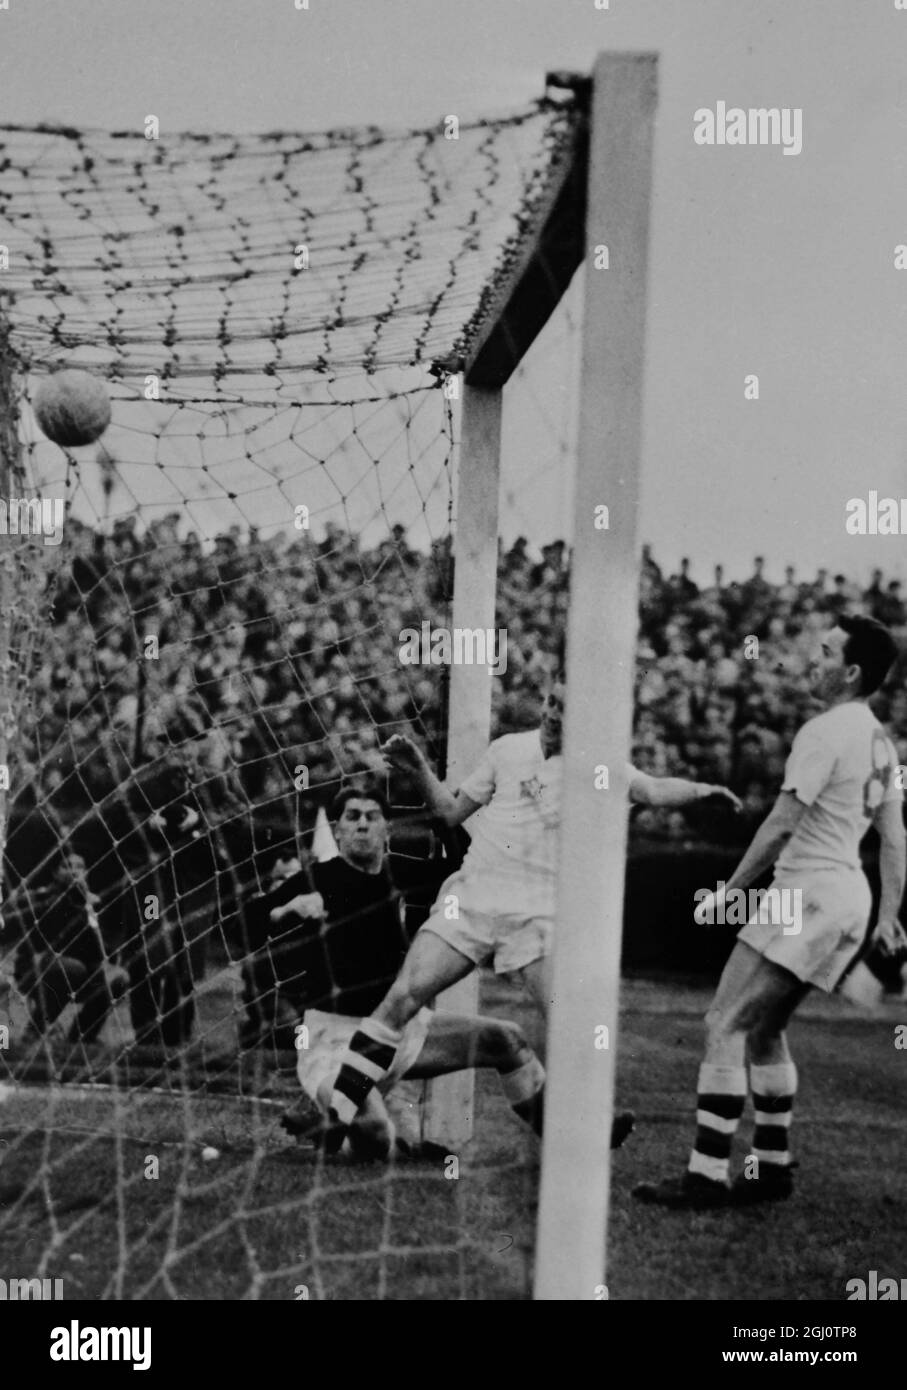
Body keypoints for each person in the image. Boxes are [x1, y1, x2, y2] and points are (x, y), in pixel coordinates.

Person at [322, 672, 742, 1151]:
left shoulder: (599, 768)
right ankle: (336, 1113)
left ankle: (589, 1123)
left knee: (567, 1022)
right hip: (476, 896)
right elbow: (450, 815)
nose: (551, 715)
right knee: (401, 999)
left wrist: (704, 789)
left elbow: (654, 788)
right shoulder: (507, 750)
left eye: (565, 709)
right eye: (550, 702)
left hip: (538, 913)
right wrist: (418, 766)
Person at [633, 615, 907, 1209]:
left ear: (851, 671)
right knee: (764, 1028)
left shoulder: (825, 731)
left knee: (722, 1024)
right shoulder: (881, 739)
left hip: (805, 895)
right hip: (845, 899)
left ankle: (705, 1175)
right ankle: (774, 1165)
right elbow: (893, 836)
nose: (813, 658)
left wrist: (731, 890)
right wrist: (887, 915)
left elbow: (782, 824)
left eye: (827, 651)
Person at [271, 784, 551, 1159]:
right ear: (337, 829)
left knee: (506, 1039)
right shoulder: (314, 880)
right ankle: (340, 1118)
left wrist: (438, 802)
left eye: (373, 817)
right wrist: (285, 911)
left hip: (400, 1034)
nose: (363, 825)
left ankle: (568, 1139)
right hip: (334, 1041)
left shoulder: (402, 873)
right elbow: (244, 922)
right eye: (353, 817)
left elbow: (471, 863)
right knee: (374, 1138)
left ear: (387, 828)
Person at [11, 851, 123, 1046]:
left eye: (79, 867)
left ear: (87, 873)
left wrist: (89, 912)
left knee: (118, 978)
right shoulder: (39, 898)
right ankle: (34, 1031)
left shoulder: (94, 904)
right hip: (35, 970)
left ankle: (81, 1039)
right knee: (72, 968)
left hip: (80, 972)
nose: (73, 872)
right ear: (55, 873)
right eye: (67, 866)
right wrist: (74, 901)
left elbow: (107, 952)